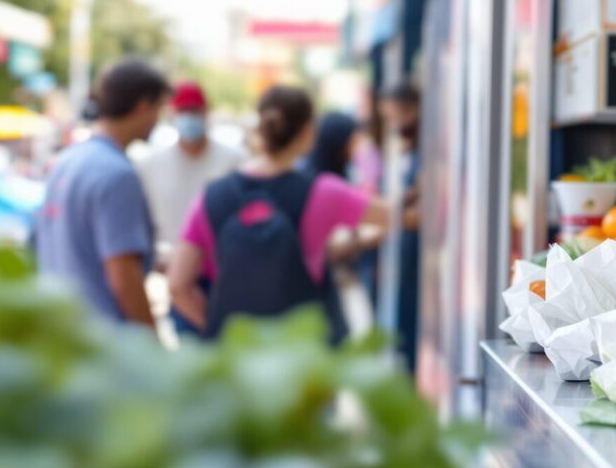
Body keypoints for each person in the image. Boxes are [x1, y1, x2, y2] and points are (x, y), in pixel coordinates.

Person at [169, 86, 390, 343]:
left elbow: (178, 285)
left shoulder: (211, 196)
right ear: (308, 132)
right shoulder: (324, 192)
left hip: (236, 352)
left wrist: (220, 330)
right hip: (301, 349)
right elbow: (395, 217)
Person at [33, 59, 172, 328]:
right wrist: (151, 340)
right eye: (159, 108)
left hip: (61, 331)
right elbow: (124, 276)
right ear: (143, 107)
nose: (158, 119)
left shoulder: (66, 161)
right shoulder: (117, 174)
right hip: (101, 339)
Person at [137, 81, 242, 339]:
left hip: (224, 273)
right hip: (175, 270)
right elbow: (143, 219)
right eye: (183, 111)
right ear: (172, 114)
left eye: (194, 111)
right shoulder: (151, 164)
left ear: (206, 112)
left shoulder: (234, 160)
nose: (189, 118)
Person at [377, 82, 423, 373]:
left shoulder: (430, 151)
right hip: (406, 252)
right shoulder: (410, 150)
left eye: (396, 117)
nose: (394, 125)